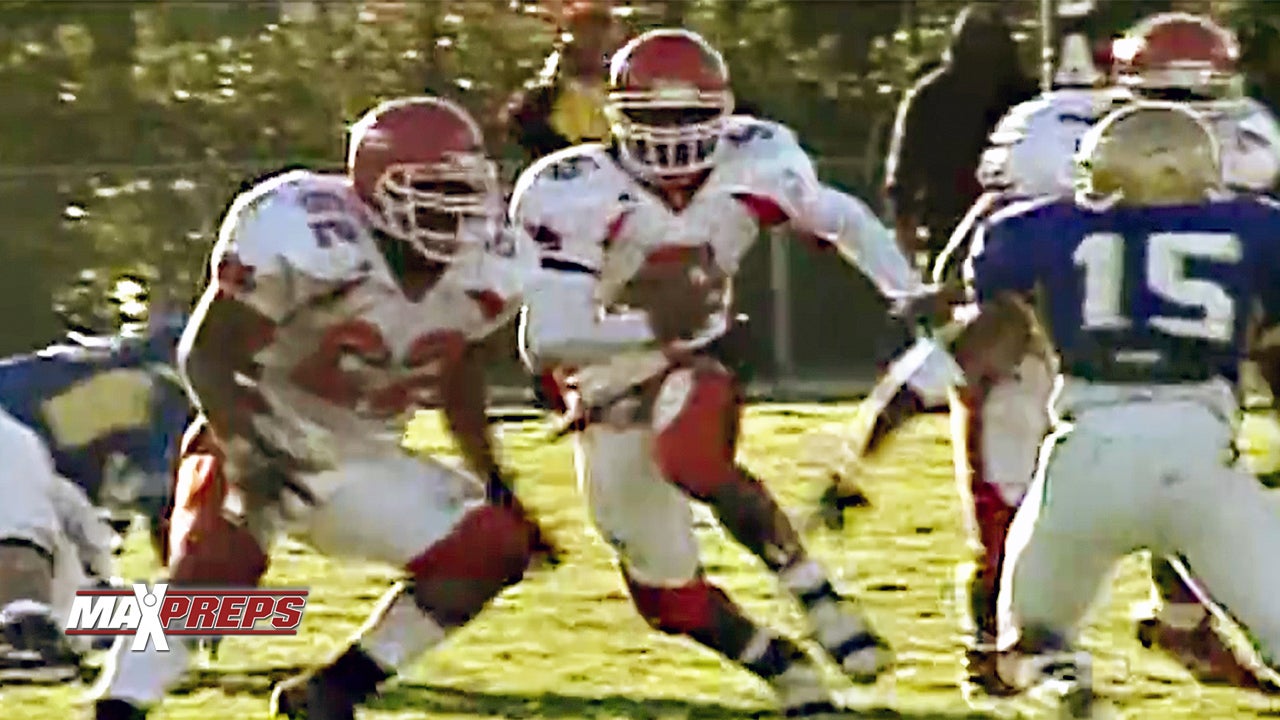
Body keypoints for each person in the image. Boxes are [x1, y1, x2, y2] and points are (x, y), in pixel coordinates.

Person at [514, 28, 959, 716]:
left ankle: (811, 588)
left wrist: (908, 294)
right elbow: (544, 340)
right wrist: (655, 328)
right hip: (602, 378)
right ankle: (782, 667)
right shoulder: (570, 189)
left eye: (689, 115)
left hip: (701, 355)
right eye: (655, 116)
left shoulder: (756, 158)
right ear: (618, 114)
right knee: (669, 599)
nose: (673, 133)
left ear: (723, 111)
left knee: (691, 454)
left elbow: (840, 217)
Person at [90, 96, 555, 720]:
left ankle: (332, 692)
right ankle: (116, 708)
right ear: (375, 190)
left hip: (362, 451)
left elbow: (459, 368)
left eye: (464, 189)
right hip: (260, 421)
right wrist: (249, 451)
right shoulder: (304, 230)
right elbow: (206, 354)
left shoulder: (493, 261)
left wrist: (495, 479)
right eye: (433, 190)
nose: (454, 209)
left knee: (493, 548)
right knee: (211, 581)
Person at [968, 100, 1280, 717]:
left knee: (1030, 647)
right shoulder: (1256, 231)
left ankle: (1069, 693)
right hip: (1200, 465)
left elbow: (979, 341)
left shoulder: (1038, 230)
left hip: (1084, 461)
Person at [0, 315, 190, 681]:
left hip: (49, 489)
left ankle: (34, 624)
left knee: (76, 607)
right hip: (17, 452)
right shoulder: (164, 386)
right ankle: (25, 626)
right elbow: (173, 511)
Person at [882, 3, 1037, 270]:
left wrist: (904, 223)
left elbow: (902, 174)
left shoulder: (1026, 98)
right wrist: (904, 224)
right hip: (967, 229)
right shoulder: (929, 97)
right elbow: (903, 172)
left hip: (1009, 227)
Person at [503, 1, 625, 162]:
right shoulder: (534, 105)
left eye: (596, 38)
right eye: (582, 33)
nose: (589, 45)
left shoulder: (626, 98)